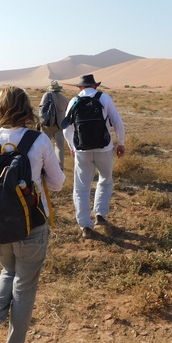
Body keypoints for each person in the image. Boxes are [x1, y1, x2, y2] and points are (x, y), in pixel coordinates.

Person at [0, 86, 65, 343]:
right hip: (32, 228)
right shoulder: (39, 140)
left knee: (8, 271)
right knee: (23, 286)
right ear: (26, 109)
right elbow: (57, 184)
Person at [61, 74, 125, 239]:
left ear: (80, 87)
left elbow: (66, 129)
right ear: (95, 86)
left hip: (82, 150)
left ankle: (85, 226)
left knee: (81, 188)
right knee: (105, 179)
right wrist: (121, 143)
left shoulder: (74, 101)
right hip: (104, 147)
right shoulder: (104, 98)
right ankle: (100, 215)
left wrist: (72, 146)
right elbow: (117, 121)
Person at [38, 80, 70, 170]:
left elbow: (41, 110)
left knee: (43, 144)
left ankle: (43, 165)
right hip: (60, 124)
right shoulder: (63, 98)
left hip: (48, 124)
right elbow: (68, 109)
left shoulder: (46, 95)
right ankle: (60, 167)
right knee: (59, 145)